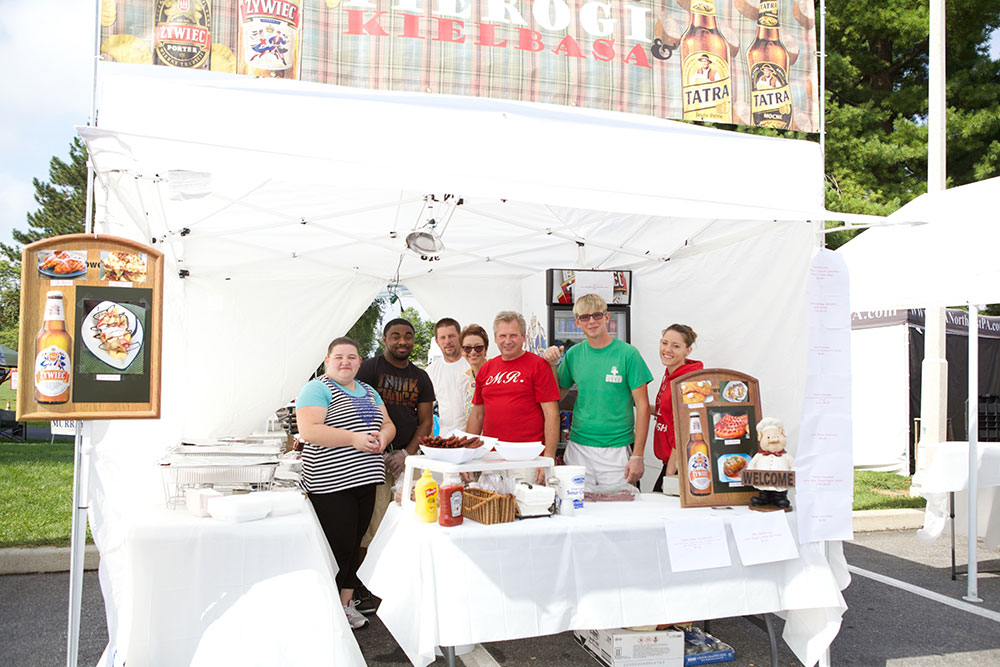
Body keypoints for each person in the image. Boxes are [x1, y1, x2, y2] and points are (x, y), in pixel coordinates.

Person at [295, 337, 395, 630]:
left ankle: (345, 604)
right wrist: (353, 439)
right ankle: (325, 608)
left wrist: (383, 438)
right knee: (336, 547)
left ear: (360, 362)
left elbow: (387, 424)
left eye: (352, 357)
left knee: (355, 546)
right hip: (330, 483)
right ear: (327, 361)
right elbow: (309, 430)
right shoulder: (317, 388)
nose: (345, 362)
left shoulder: (368, 390)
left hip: (366, 478)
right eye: (339, 357)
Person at [356, 318, 434, 610]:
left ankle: (403, 583)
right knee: (373, 525)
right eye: (396, 336)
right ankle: (365, 587)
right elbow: (358, 407)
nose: (403, 342)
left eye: (408, 336)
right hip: (373, 457)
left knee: (411, 522)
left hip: (409, 460)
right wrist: (379, 448)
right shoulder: (370, 368)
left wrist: (406, 454)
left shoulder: (421, 377)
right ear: (385, 338)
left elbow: (426, 421)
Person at [543, 294, 652, 487]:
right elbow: (556, 396)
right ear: (577, 322)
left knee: (618, 512)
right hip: (578, 448)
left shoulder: (628, 354)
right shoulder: (574, 354)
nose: (591, 321)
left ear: (607, 317)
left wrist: (638, 456)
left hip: (616, 450)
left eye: (597, 315)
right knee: (575, 510)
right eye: (585, 317)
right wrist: (552, 365)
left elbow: (643, 407)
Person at [466, 311, 560, 481]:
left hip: (529, 460)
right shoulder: (486, 369)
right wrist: (466, 455)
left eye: (513, 335)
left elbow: (551, 414)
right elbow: (477, 415)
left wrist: (548, 458)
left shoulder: (538, 366)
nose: (507, 341)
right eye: (503, 335)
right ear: (495, 338)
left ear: (524, 336)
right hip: (491, 460)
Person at [651, 324, 703, 492]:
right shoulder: (670, 375)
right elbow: (666, 412)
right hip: (669, 462)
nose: (668, 349)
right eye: (665, 343)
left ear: (688, 350)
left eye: (676, 346)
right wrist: (637, 402)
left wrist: (670, 473)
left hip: (681, 465)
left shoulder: (687, 382)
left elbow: (682, 429)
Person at [426, 318, 472, 436]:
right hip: (445, 440)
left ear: (460, 337)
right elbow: (427, 412)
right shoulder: (431, 371)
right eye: (443, 337)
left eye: (451, 336)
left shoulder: (473, 365)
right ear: (437, 341)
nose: (447, 341)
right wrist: (431, 441)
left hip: (474, 439)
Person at [458, 323, 490, 422]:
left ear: (485, 349)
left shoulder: (498, 375)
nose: (473, 352)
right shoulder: (465, 379)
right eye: (467, 348)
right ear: (462, 351)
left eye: (478, 347)